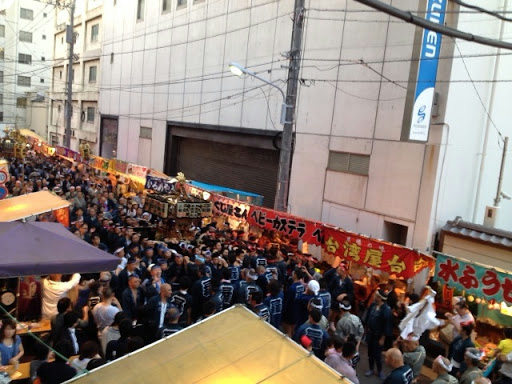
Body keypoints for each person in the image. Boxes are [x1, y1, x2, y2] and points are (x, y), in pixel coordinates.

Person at [364, 289, 393, 379]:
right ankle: (371, 369)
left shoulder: (386, 310)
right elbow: (367, 317)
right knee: (370, 353)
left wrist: (383, 338)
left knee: (377, 354)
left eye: (376, 296)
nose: (374, 297)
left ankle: (380, 371)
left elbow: (387, 324)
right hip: (370, 333)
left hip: (378, 335)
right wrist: (366, 329)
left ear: (380, 298)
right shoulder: (373, 305)